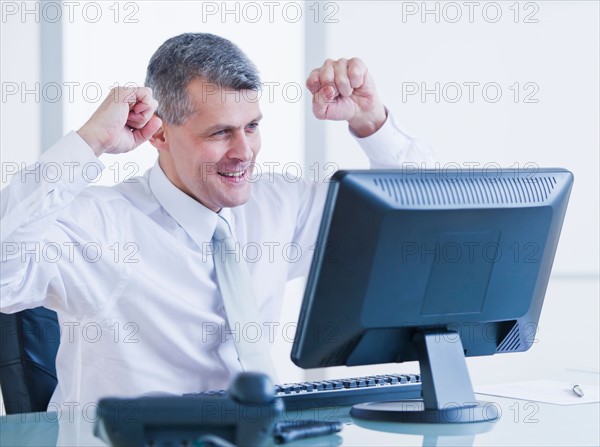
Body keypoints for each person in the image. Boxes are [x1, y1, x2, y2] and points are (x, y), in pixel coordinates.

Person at [0, 33, 431, 409]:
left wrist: (371, 121)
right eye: (220, 133)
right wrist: (88, 142)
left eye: (252, 127)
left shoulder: (278, 204)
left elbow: (423, 220)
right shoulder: (102, 226)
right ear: (161, 134)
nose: (244, 151)